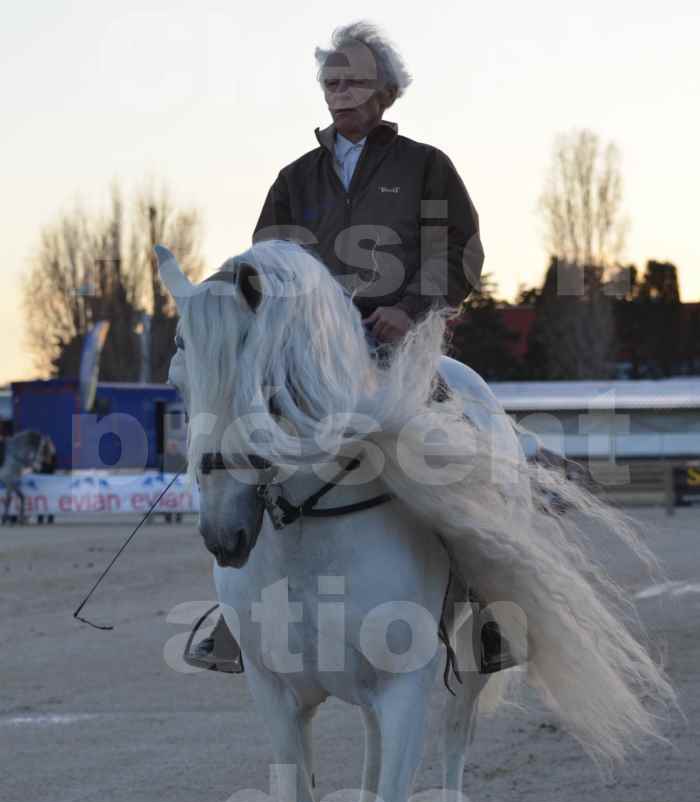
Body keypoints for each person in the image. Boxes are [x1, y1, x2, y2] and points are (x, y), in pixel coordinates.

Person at [185, 22, 514, 675]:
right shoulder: (294, 178)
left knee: (448, 457)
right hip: (304, 361)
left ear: (386, 92)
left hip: (398, 350)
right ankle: (234, 612)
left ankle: (484, 606)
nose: (340, 94)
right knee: (237, 443)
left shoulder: (425, 166)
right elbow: (262, 267)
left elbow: (460, 254)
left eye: (354, 82)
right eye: (331, 83)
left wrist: (408, 309)